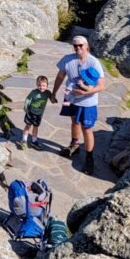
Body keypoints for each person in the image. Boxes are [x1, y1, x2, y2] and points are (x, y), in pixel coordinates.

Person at [50, 35, 105, 175]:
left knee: (87, 128)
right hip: (71, 98)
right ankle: (74, 145)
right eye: (75, 46)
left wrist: (85, 93)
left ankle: (89, 158)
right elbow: (60, 76)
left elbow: (101, 86)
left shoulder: (94, 63)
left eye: (80, 45)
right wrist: (53, 93)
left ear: (87, 46)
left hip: (88, 102)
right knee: (74, 121)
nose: (78, 48)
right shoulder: (68, 60)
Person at [17, 75, 51, 150]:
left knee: (36, 127)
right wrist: (26, 108)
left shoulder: (47, 93)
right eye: (39, 85)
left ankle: (34, 141)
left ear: (47, 85)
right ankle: (24, 140)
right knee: (28, 126)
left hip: (39, 114)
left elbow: (52, 98)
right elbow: (28, 99)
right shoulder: (34, 92)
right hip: (30, 112)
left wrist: (54, 98)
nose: (41, 87)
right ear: (37, 85)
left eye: (44, 85)